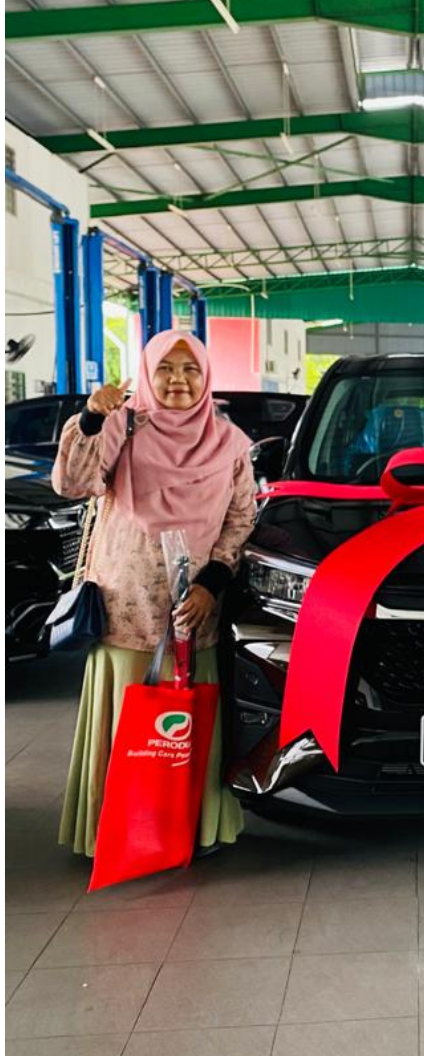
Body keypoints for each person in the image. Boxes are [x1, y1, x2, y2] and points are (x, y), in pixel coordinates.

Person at [52, 330, 257, 859]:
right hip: (128, 609)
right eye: (165, 368)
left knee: (186, 721)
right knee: (129, 720)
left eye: (191, 369)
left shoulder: (229, 442)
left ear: (206, 377)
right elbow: (72, 484)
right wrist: (90, 419)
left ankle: (189, 830)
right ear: (146, 373)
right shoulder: (122, 426)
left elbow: (241, 520)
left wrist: (212, 584)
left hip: (194, 612)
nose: (178, 380)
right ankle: (119, 834)